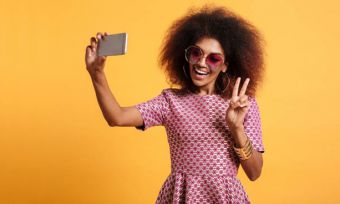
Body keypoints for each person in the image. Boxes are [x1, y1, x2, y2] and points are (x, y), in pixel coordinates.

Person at [85, 5, 265, 204]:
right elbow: (116, 117)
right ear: (186, 54)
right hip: (179, 197)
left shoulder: (242, 105)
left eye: (213, 58)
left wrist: (236, 128)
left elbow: (255, 173)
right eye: (196, 53)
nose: (202, 63)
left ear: (225, 65)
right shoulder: (170, 101)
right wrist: (97, 74)